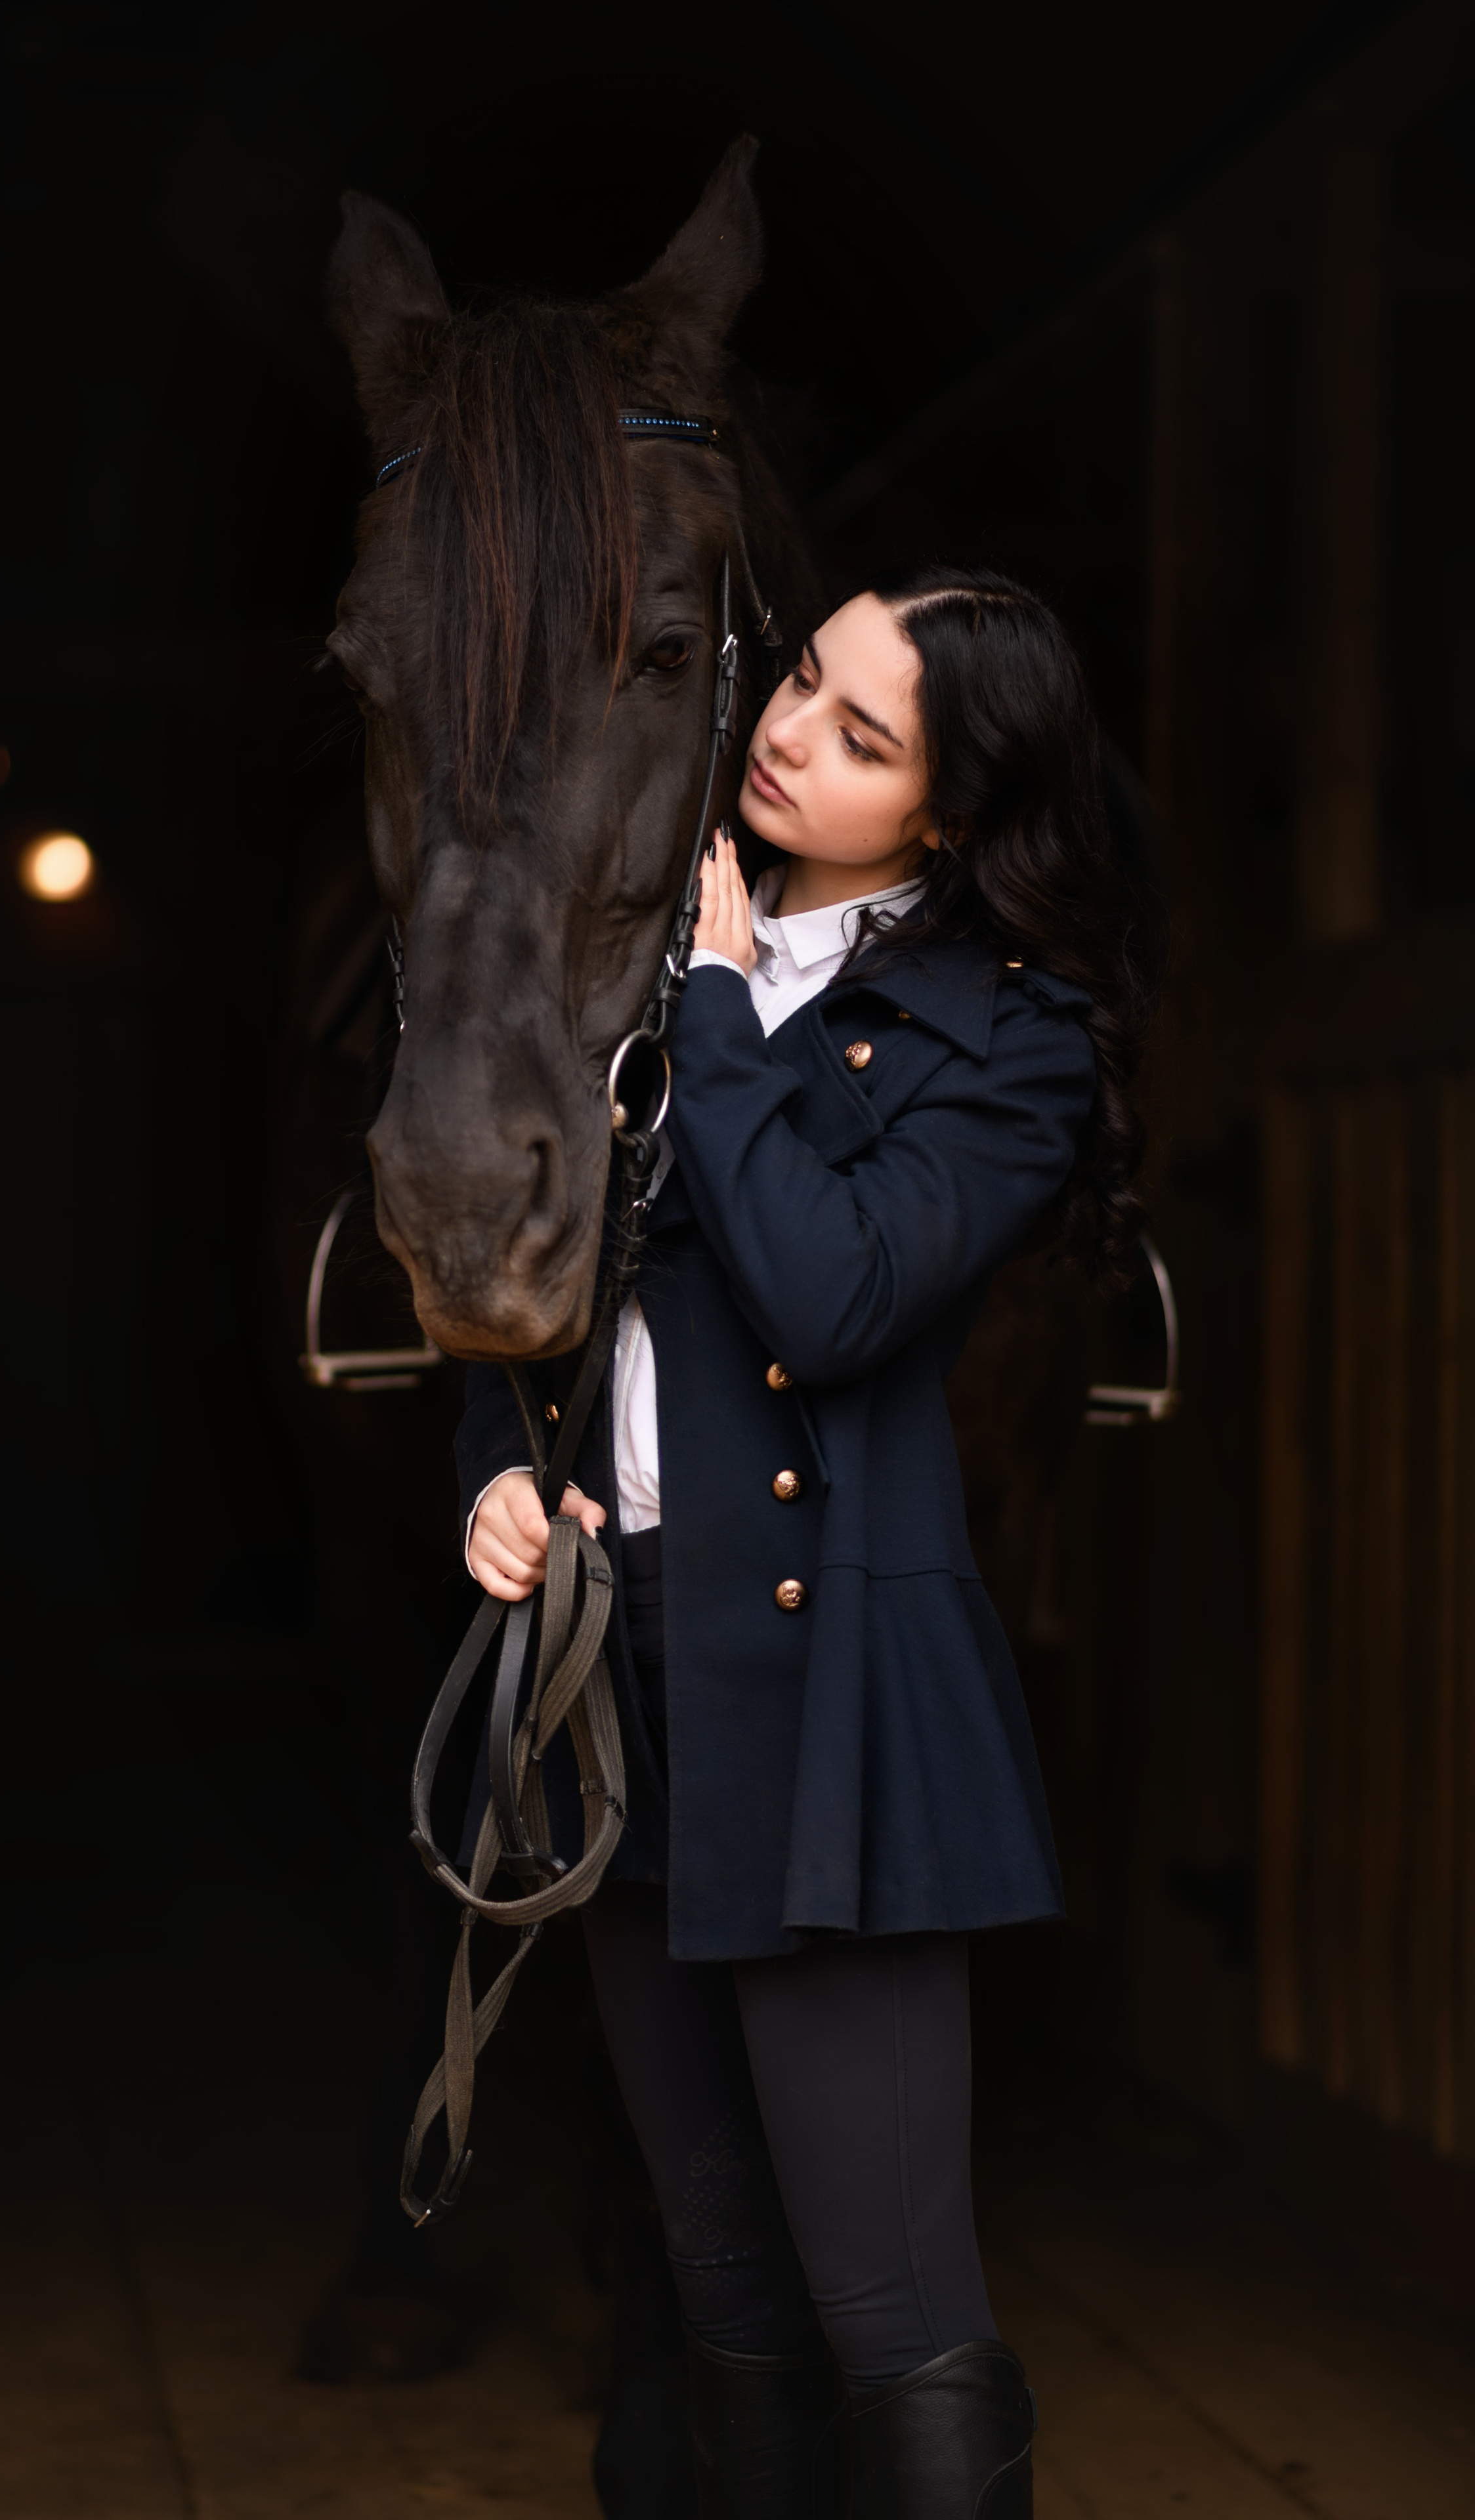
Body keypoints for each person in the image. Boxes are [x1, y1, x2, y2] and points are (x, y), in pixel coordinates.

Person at [456, 565, 1153, 2518]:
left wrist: (706, 990)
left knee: (888, 2302)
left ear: (945, 814)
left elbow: (834, 1296)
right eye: (803, 684)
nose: (787, 735)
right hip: (631, 1667)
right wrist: (499, 1477)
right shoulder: (633, 949)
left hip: (841, 1681)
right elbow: (528, 1298)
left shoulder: (1006, 1041)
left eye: (864, 738)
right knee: (720, 2290)